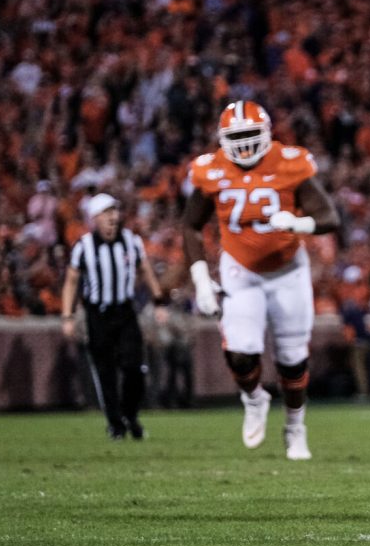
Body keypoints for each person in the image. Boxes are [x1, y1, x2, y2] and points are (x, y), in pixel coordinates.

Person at [182, 101, 340, 460]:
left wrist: (299, 223)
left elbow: (328, 216)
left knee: (292, 360)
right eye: (237, 137)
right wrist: (202, 280)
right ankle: (254, 399)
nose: (245, 144)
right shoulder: (210, 170)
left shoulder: (290, 162)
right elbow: (191, 225)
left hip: (288, 270)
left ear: (267, 134)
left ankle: (295, 427)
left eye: (251, 135)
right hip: (240, 269)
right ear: (222, 139)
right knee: (240, 354)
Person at [61, 193, 165, 439]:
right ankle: (115, 424)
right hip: (98, 314)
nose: (113, 217)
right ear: (94, 218)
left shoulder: (131, 241)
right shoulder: (84, 246)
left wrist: (159, 301)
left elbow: (146, 271)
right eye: (106, 213)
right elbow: (71, 281)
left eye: (114, 212)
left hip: (125, 311)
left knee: (135, 368)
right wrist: (67, 315)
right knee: (105, 372)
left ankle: (130, 413)